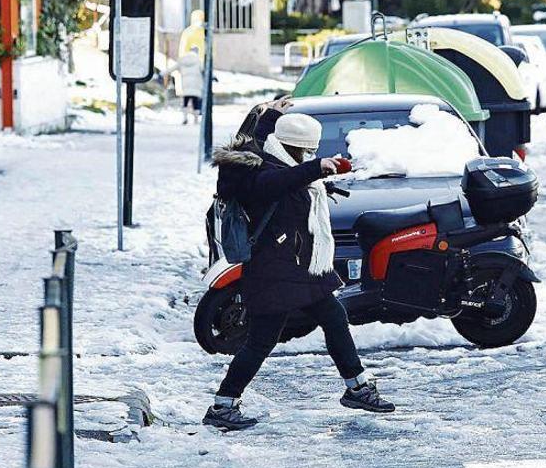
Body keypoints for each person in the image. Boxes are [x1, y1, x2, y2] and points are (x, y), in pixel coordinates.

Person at [204, 113, 395, 430]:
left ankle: (356, 387)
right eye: (304, 152)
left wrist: (274, 112)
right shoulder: (263, 173)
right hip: (274, 270)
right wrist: (315, 168)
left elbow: (280, 158)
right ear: (291, 148)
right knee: (261, 341)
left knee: (332, 316)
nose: (307, 157)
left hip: (295, 266)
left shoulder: (277, 159)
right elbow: (277, 184)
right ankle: (223, 405)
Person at [166, 46, 203, 125]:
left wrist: (161, 74)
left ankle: (185, 118)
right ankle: (196, 120)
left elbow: (172, 69)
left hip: (185, 84)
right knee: (195, 102)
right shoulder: (198, 60)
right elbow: (203, 70)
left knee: (185, 102)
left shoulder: (182, 60)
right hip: (195, 84)